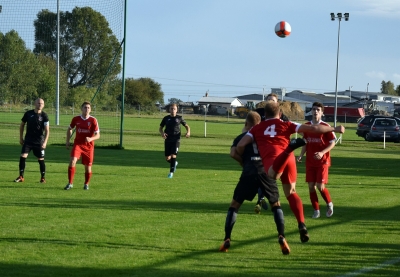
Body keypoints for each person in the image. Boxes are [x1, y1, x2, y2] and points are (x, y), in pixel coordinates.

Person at [236, 101, 345, 243]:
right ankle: (302, 224)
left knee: (272, 175)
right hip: (290, 161)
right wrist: (334, 129)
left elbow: (240, 145)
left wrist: (243, 160)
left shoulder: (257, 128)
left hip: (275, 158)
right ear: (280, 114)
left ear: (265, 115)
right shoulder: (286, 124)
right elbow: (314, 129)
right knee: (291, 192)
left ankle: (288, 149)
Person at [219, 111, 290, 255]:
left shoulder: (241, 137)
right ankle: (281, 236)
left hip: (249, 172)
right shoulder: (264, 136)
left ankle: (227, 239)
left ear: (246, 124)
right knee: (275, 204)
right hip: (266, 171)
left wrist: (244, 162)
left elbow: (233, 153)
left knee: (234, 205)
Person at [297, 102, 336, 218]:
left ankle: (329, 204)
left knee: (320, 186)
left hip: (322, 161)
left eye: (318, 110)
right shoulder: (307, 126)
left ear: (322, 113)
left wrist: (322, 152)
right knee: (311, 187)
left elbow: (332, 143)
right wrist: (301, 155)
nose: (315, 111)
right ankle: (316, 210)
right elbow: (305, 142)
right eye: (314, 109)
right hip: (310, 161)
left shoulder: (326, 127)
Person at [254, 93, 287, 213]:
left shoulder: (281, 116)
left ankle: (263, 199)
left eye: (272, 100)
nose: (270, 102)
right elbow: (251, 125)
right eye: (268, 100)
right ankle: (264, 199)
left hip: (274, 152)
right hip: (259, 149)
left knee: (269, 177)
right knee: (262, 175)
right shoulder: (258, 112)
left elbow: (287, 131)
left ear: (277, 103)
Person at [64, 101, 100, 190]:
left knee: (88, 167)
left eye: (88, 108)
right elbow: (69, 129)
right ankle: (70, 183)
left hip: (89, 147)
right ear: (81, 109)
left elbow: (98, 135)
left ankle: (86, 184)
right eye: (85, 107)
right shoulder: (76, 119)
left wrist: (91, 139)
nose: (86, 109)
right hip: (78, 145)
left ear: (90, 110)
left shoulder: (93, 120)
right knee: (72, 161)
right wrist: (68, 141)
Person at [14, 98, 49, 183]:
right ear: (35, 104)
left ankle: (43, 178)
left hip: (39, 141)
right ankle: (21, 176)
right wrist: (21, 138)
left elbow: (47, 130)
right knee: (23, 156)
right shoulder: (28, 114)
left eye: (41, 103)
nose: (40, 104)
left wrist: (45, 142)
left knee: (41, 159)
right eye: (38, 103)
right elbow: (22, 125)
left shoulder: (44, 116)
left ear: (43, 105)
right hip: (28, 140)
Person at [159, 103, 190, 178]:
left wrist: (188, 132)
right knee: (167, 158)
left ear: (177, 110)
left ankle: (171, 173)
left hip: (176, 139)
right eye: (171, 109)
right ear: (169, 110)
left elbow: (187, 126)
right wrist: (162, 133)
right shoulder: (166, 118)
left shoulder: (180, 118)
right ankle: (174, 163)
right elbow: (160, 128)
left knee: (173, 155)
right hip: (168, 139)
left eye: (174, 109)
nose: (173, 110)